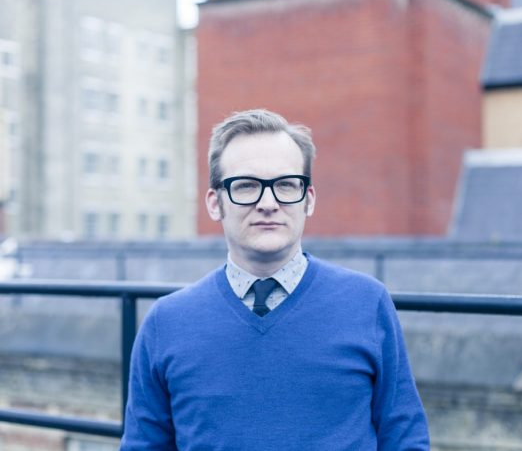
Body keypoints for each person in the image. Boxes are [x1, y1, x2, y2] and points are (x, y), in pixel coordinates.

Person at [120, 109, 430, 450]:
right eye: (246, 186)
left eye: (285, 185)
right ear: (215, 203)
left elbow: (405, 438)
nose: (268, 203)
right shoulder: (166, 322)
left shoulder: (366, 303)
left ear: (308, 200)